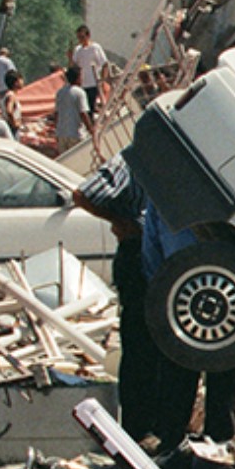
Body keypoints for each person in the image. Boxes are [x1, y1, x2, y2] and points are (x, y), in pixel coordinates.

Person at [73, 152, 161, 442]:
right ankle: (137, 428)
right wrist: (123, 221)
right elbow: (84, 194)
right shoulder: (133, 159)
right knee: (138, 342)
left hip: (156, 249)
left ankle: (153, 424)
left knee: (156, 344)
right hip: (137, 250)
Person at [141, 203, 235, 448]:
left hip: (183, 291)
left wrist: (163, 289)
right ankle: (217, 439)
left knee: (180, 374)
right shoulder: (216, 197)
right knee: (221, 368)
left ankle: (175, 439)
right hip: (220, 289)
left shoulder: (160, 202)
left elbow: (152, 255)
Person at [70, 25, 108, 116]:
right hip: (81, 83)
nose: (80, 40)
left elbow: (105, 64)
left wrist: (102, 81)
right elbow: (73, 65)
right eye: (79, 37)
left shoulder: (95, 48)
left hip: (93, 83)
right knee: (82, 108)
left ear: (88, 36)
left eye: (82, 37)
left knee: (90, 107)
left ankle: (91, 125)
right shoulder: (78, 50)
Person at [55, 66, 92, 148]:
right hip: (76, 134)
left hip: (61, 133)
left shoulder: (60, 92)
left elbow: (57, 114)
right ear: (78, 78)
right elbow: (83, 114)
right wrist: (91, 130)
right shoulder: (80, 93)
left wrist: (56, 131)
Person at [0, 70, 23, 135]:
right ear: (16, 82)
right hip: (12, 129)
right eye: (20, 79)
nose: (22, 82)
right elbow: (9, 111)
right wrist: (14, 123)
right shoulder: (11, 96)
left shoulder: (6, 94)